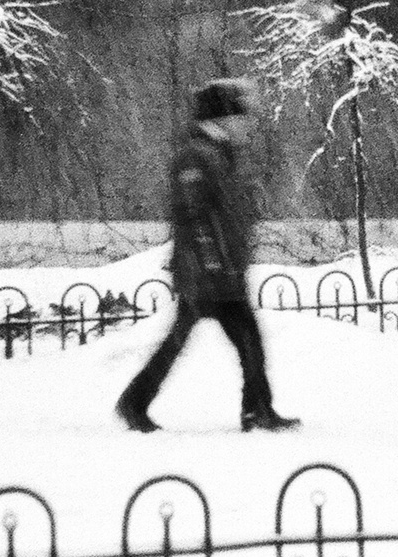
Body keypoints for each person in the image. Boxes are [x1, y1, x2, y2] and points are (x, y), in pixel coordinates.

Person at [117, 78, 300, 433]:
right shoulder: (197, 156)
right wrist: (212, 262)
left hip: (220, 270)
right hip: (207, 272)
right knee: (232, 340)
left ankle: (255, 410)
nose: (246, 125)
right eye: (240, 117)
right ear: (222, 119)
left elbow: (227, 211)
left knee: (226, 340)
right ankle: (255, 411)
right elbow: (195, 214)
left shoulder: (219, 155)